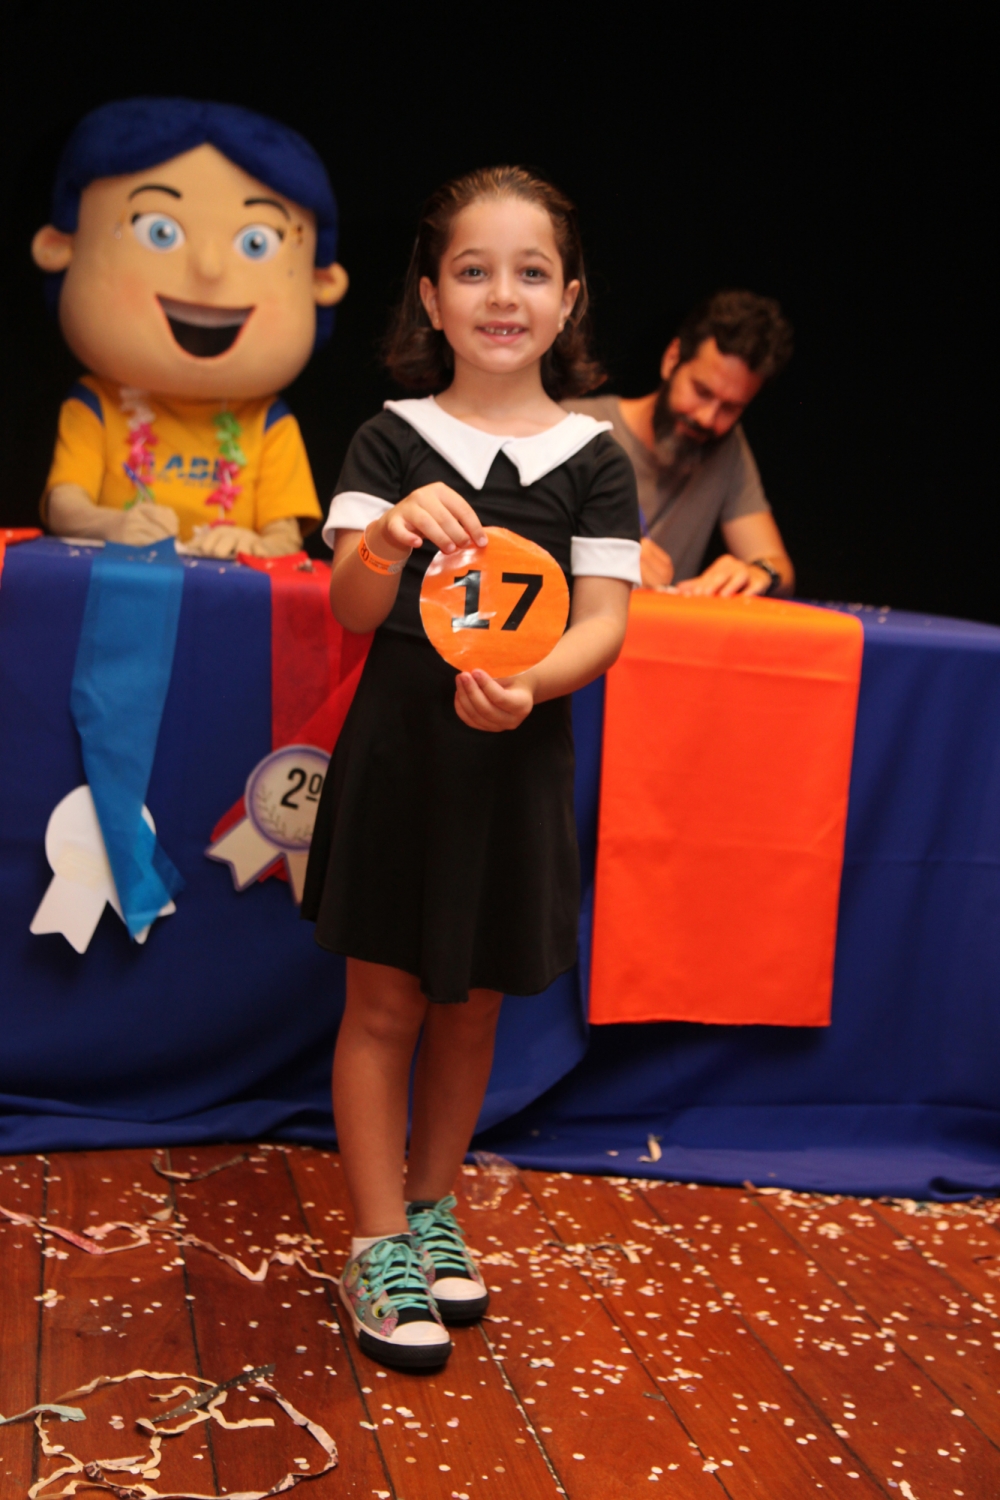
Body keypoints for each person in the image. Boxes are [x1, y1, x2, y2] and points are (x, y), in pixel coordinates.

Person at [301, 166, 640, 1370]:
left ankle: (433, 1204)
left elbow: (604, 623)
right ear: (431, 298)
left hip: (514, 756)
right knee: (385, 1003)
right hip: (402, 755)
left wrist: (531, 686)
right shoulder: (391, 439)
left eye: (531, 272)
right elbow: (349, 607)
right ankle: (376, 1240)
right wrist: (391, 534)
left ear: (569, 299)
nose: (504, 295)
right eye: (474, 270)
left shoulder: (595, 455)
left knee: (475, 1001)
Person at [31, 98, 349, 557]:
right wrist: (110, 523)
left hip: (229, 593)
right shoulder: (96, 403)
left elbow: (285, 536)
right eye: (158, 231)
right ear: (58, 247)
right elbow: (64, 506)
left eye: (256, 243)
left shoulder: (267, 421)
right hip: (117, 584)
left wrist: (255, 544)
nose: (209, 269)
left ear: (323, 283)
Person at [569, 289, 795, 595]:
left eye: (730, 408)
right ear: (672, 359)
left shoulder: (727, 448)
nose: (707, 418)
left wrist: (758, 572)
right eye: (702, 391)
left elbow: (779, 566)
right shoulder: (571, 426)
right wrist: (600, 555)